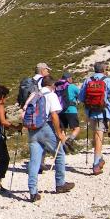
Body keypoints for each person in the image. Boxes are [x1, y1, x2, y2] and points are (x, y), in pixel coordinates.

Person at [25, 74, 74, 202]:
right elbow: (54, 115)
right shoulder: (51, 95)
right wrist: (58, 132)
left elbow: (24, 110)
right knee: (59, 154)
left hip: (32, 129)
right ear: (52, 85)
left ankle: (33, 191)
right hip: (45, 127)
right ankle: (60, 184)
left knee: (34, 161)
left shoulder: (34, 94)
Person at [78, 62, 110, 175]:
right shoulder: (107, 80)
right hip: (103, 112)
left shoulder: (88, 80)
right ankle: (96, 164)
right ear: (103, 70)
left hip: (91, 112)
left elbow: (81, 97)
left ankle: (100, 158)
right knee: (98, 137)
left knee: (96, 135)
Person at [53, 72, 81, 153]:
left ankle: (62, 145)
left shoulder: (57, 87)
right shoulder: (72, 86)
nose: (72, 79)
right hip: (71, 110)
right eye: (71, 78)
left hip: (60, 111)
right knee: (76, 128)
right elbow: (80, 95)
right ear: (68, 79)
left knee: (62, 129)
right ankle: (70, 140)